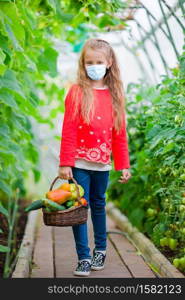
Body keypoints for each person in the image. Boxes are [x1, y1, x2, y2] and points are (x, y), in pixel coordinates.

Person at [58, 38, 131, 277]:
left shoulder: (115, 95)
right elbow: (68, 129)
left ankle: (100, 249)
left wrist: (123, 164)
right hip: (78, 163)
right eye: (89, 62)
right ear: (83, 63)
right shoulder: (77, 92)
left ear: (109, 63)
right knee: (80, 207)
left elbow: (119, 133)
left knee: (99, 205)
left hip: (101, 164)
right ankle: (84, 257)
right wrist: (65, 163)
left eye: (99, 61)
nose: (94, 65)